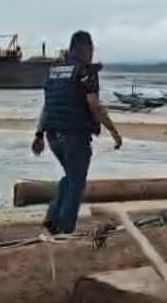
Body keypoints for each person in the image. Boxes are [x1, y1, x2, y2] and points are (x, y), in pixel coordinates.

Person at [31, 30, 122, 235]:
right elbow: (95, 106)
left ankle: (52, 218)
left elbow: (48, 106)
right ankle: (65, 228)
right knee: (77, 182)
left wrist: (39, 134)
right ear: (84, 49)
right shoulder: (86, 72)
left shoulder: (55, 71)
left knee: (71, 177)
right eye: (91, 49)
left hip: (53, 135)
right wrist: (114, 133)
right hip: (74, 135)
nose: (92, 53)